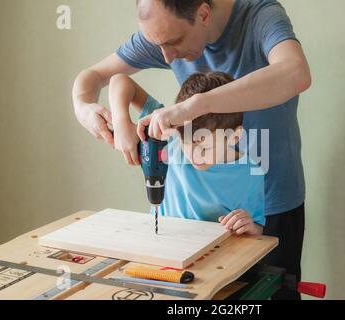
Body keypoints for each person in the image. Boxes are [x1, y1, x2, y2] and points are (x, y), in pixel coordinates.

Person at [72, 0, 311, 299]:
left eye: (173, 42)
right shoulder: (165, 28)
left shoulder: (261, 16)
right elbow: (96, 77)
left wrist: (193, 107)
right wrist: (96, 113)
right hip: (191, 234)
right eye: (157, 44)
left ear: (203, 14)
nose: (167, 57)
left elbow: (296, 73)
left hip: (272, 204)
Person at [109, 71, 265, 235]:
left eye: (205, 148)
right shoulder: (170, 132)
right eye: (186, 143)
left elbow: (256, 230)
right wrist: (120, 122)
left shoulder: (250, 173)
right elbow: (119, 80)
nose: (194, 155)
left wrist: (249, 226)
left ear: (234, 136)